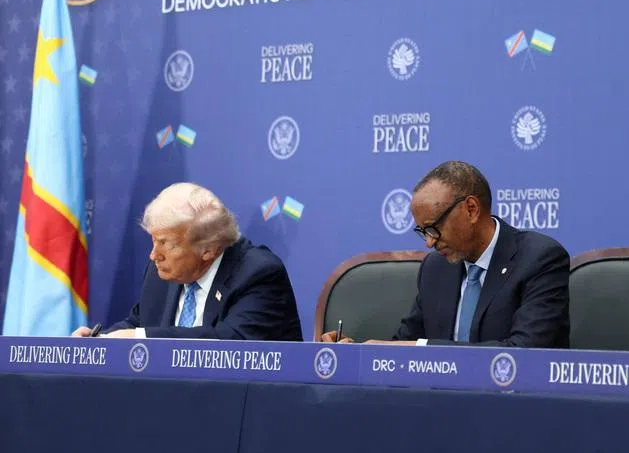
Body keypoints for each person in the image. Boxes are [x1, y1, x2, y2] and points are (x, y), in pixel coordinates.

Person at [320, 160, 570, 347]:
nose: (429, 242)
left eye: (433, 228)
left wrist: (424, 348)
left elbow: (524, 352)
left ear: (471, 209)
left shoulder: (539, 259)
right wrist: (356, 352)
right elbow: (403, 345)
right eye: (422, 232)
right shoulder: (435, 268)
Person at [73, 183, 303, 340]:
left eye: (166, 243)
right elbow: (140, 322)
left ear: (208, 249)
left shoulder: (258, 274)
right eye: (154, 241)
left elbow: (231, 342)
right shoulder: (161, 273)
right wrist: (100, 340)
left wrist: (141, 337)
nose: (154, 255)